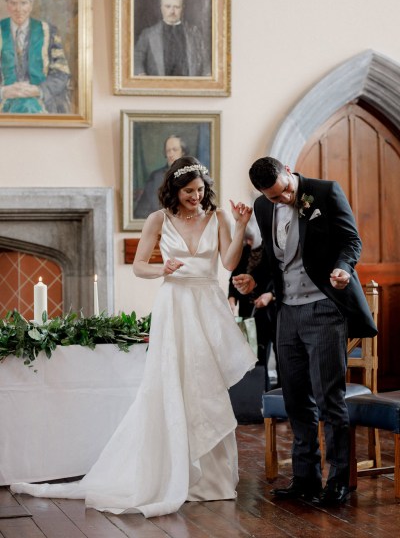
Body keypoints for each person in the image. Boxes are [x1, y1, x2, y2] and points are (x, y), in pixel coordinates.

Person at [11, 156, 257, 518]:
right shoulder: (158, 220)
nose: (196, 197)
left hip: (207, 305)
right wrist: (163, 268)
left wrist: (240, 226)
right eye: (189, 191)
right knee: (174, 384)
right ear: (174, 189)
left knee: (207, 386)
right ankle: (175, 473)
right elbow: (140, 265)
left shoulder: (217, 216)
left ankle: (213, 480)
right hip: (175, 304)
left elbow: (230, 264)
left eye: (201, 190)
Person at [233, 156, 377, 506]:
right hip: (287, 312)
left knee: (329, 398)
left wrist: (343, 269)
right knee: (296, 399)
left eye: (282, 193)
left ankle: (340, 481)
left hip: (324, 307)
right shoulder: (263, 207)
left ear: (288, 172)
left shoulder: (325, 193)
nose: (279, 200)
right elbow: (271, 259)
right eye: (271, 197)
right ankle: (305, 479)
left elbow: (351, 241)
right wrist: (256, 280)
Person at [0, 0, 71, 114]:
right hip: (4, 101)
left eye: (23, 3)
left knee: (28, 106)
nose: (18, 9)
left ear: (31, 5)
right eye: (13, 3)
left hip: (40, 101)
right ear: (7, 5)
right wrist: (3, 91)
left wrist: (39, 90)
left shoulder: (48, 31)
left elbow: (61, 73)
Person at [228, 218, 278, 392]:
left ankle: (279, 395)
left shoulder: (270, 250)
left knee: (279, 353)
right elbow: (234, 275)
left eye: (250, 239)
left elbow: (278, 277)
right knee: (256, 353)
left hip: (271, 310)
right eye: (245, 240)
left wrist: (270, 295)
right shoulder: (244, 251)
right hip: (250, 311)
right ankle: (258, 394)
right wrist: (232, 298)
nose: (248, 243)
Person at [134, 0, 211, 77]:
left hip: (189, 86)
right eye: (168, 6)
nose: (172, 11)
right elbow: (137, 57)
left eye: (177, 7)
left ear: (183, 9)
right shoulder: (148, 34)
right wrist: (141, 74)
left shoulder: (195, 33)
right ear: (161, 8)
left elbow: (206, 60)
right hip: (158, 86)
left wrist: (208, 78)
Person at [134, 134, 188, 218]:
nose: (171, 154)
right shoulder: (156, 177)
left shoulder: (193, 176)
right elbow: (140, 211)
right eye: (168, 151)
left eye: (175, 150)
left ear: (183, 152)